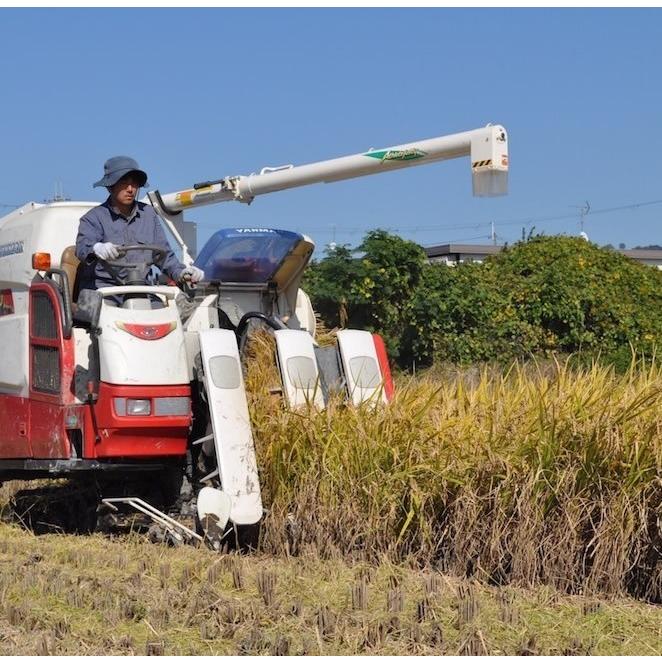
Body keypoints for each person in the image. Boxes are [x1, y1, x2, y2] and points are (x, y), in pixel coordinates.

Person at [75, 156, 204, 291]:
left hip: (141, 290)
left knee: (170, 310)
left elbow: (165, 256)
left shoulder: (148, 215)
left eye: (135, 183)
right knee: (97, 309)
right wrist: (97, 248)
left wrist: (182, 274)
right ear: (110, 187)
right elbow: (82, 247)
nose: (130, 189)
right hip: (104, 292)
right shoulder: (92, 218)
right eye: (124, 182)